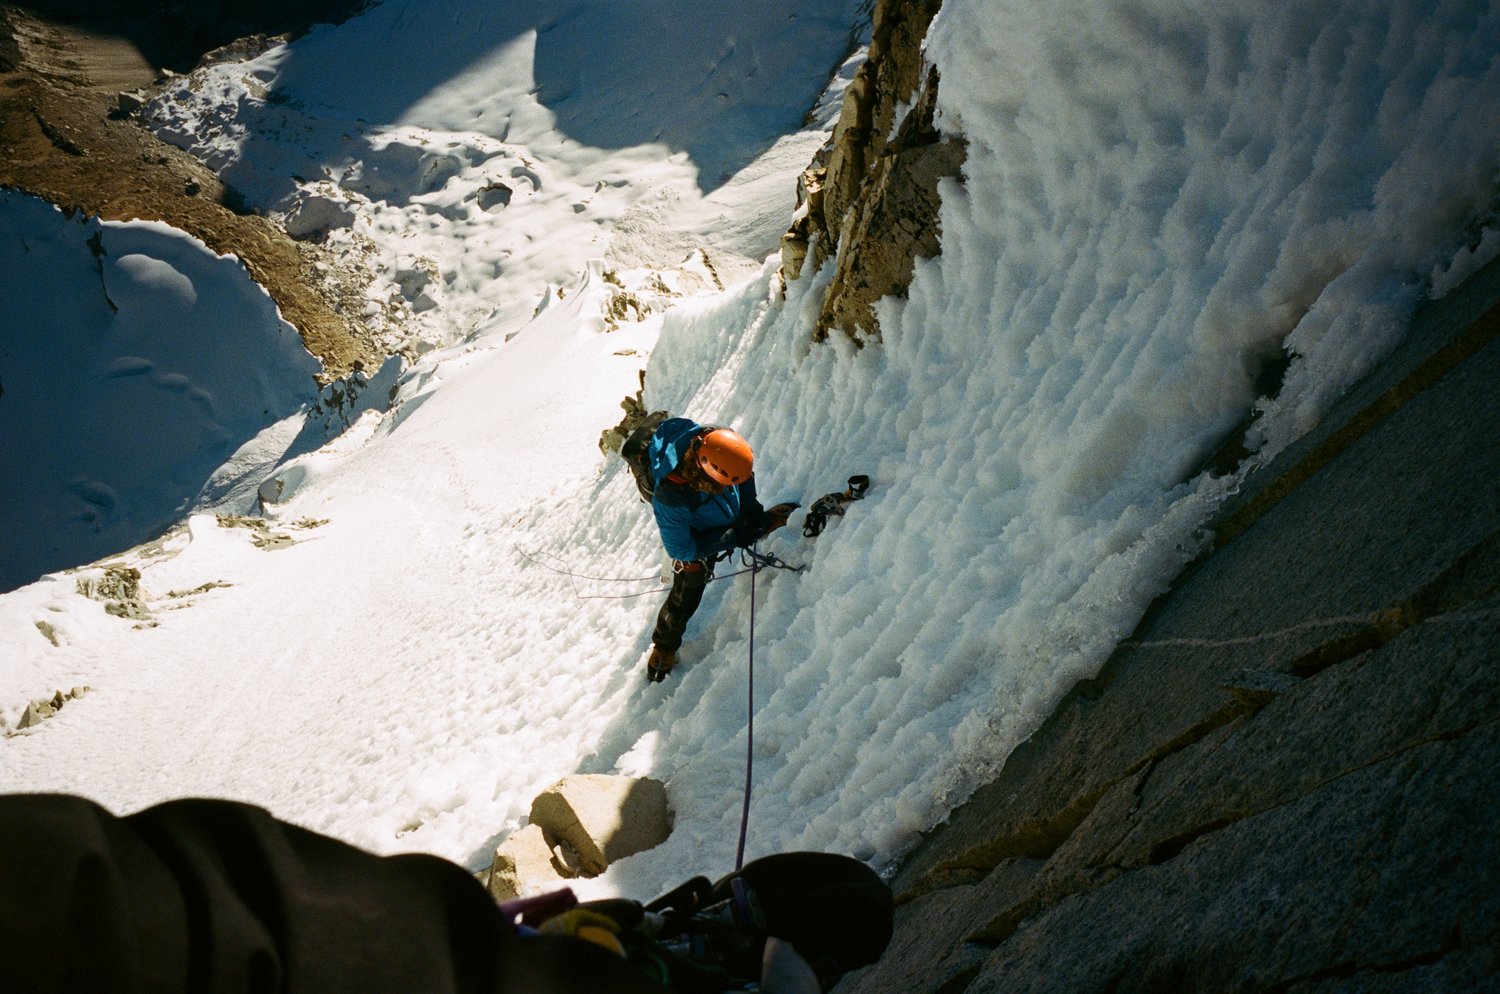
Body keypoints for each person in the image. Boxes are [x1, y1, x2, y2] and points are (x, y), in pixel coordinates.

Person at [643, 418, 796, 681]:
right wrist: (732, 537)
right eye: (723, 483)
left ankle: (760, 523)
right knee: (688, 586)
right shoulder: (672, 497)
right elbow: (681, 548)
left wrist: (750, 508)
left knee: (750, 522)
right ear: (706, 474)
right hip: (696, 534)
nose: (729, 486)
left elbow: (743, 476)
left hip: (721, 511)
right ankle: (665, 643)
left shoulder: (722, 445)